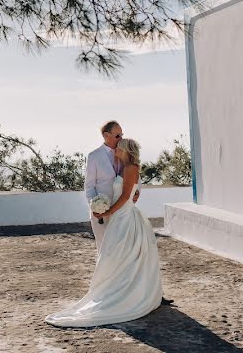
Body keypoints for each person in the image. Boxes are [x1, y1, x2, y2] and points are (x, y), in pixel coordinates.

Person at [46, 138, 164, 327]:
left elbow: (126, 196)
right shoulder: (123, 166)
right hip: (119, 218)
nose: (115, 150)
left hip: (125, 218)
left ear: (125, 150)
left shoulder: (131, 168)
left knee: (120, 254)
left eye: (118, 148)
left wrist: (107, 211)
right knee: (115, 256)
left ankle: (126, 294)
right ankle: (115, 290)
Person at [84, 121, 138, 248]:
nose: (121, 138)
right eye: (117, 136)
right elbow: (89, 185)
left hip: (121, 211)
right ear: (106, 135)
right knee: (104, 248)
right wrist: (95, 207)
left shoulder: (125, 154)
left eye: (122, 135)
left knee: (121, 249)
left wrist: (137, 191)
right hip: (101, 212)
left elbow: (135, 177)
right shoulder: (94, 156)